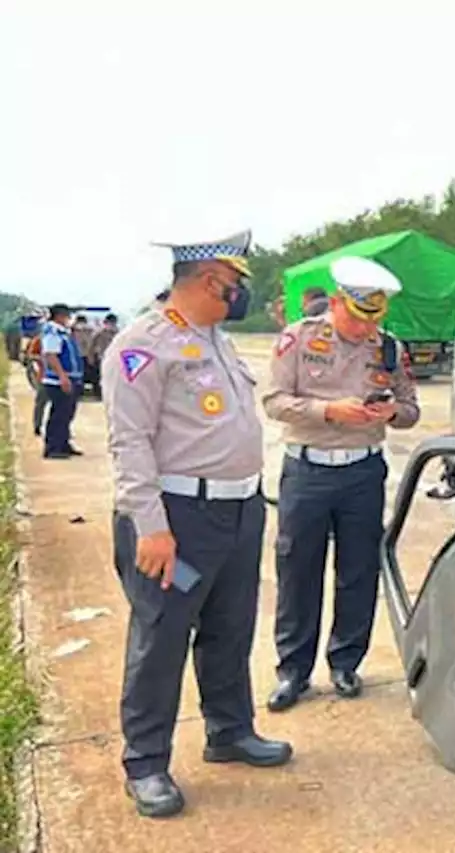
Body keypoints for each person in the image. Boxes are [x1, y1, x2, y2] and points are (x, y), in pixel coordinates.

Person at [102, 229, 292, 819]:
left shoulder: (215, 339)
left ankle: (229, 731)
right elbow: (129, 443)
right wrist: (151, 527)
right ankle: (147, 764)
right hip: (178, 522)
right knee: (162, 639)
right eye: (235, 285)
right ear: (211, 280)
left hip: (237, 512)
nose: (239, 295)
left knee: (230, 628)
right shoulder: (142, 346)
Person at [262, 256, 420, 711]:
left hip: (363, 473)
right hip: (307, 470)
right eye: (355, 317)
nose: (362, 330)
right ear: (335, 303)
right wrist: (330, 411)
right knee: (297, 571)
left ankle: (346, 662)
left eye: (372, 320)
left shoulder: (389, 348)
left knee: (358, 571)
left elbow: (411, 410)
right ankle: (293, 671)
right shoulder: (299, 338)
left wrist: (392, 413)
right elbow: (274, 401)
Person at [39, 304, 85, 459]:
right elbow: (51, 355)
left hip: (71, 378)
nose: (68, 319)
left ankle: (63, 444)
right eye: (66, 316)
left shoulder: (63, 332)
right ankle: (53, 448)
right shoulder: (52, 332)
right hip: (58, 381)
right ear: (59, 316)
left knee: (66, 414)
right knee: (59, 414)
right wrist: (62, 376)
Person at [85, 313, 119, 397]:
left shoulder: (99, 331)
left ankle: (99, 393)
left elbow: (91, 345)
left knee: (100, 376)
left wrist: (90, 357)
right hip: (111, 357)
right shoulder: (118, 332)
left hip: (102, 356)